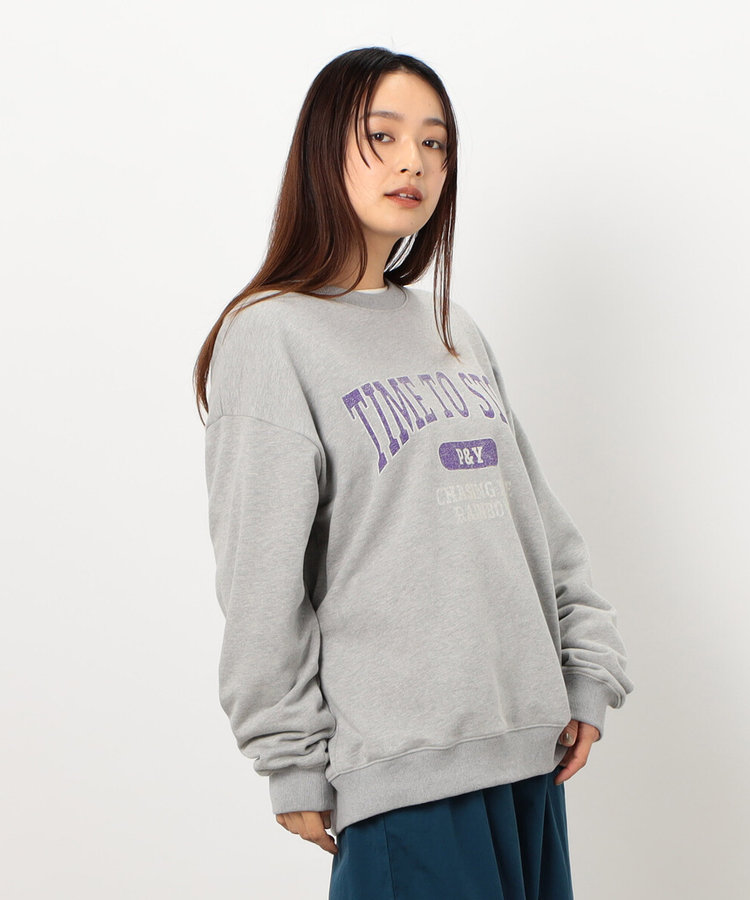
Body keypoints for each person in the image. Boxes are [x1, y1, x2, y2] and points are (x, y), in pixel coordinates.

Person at [193, 46, 634, 899]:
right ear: (323, 148)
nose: (413, 163)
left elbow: (538, 528)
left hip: (530, 760)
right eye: (383, 135)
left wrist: (586, 668)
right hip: (404, 778)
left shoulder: (453, 328)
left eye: (435, 143)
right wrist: (289, 755)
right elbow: (259, 579)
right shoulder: (272, 336)